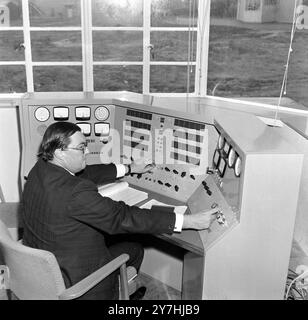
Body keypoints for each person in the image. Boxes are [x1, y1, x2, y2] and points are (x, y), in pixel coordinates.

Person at [21, 121, 219, 300]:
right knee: (134, 248)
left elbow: (85, 173)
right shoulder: (76, 192)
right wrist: (187, 221)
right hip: (78, 282)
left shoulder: (40, 170)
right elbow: (123, 218)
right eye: (81, 148)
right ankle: (117, 294)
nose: (88, 151)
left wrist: (129, 167)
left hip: (44, 271)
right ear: (60, 152)